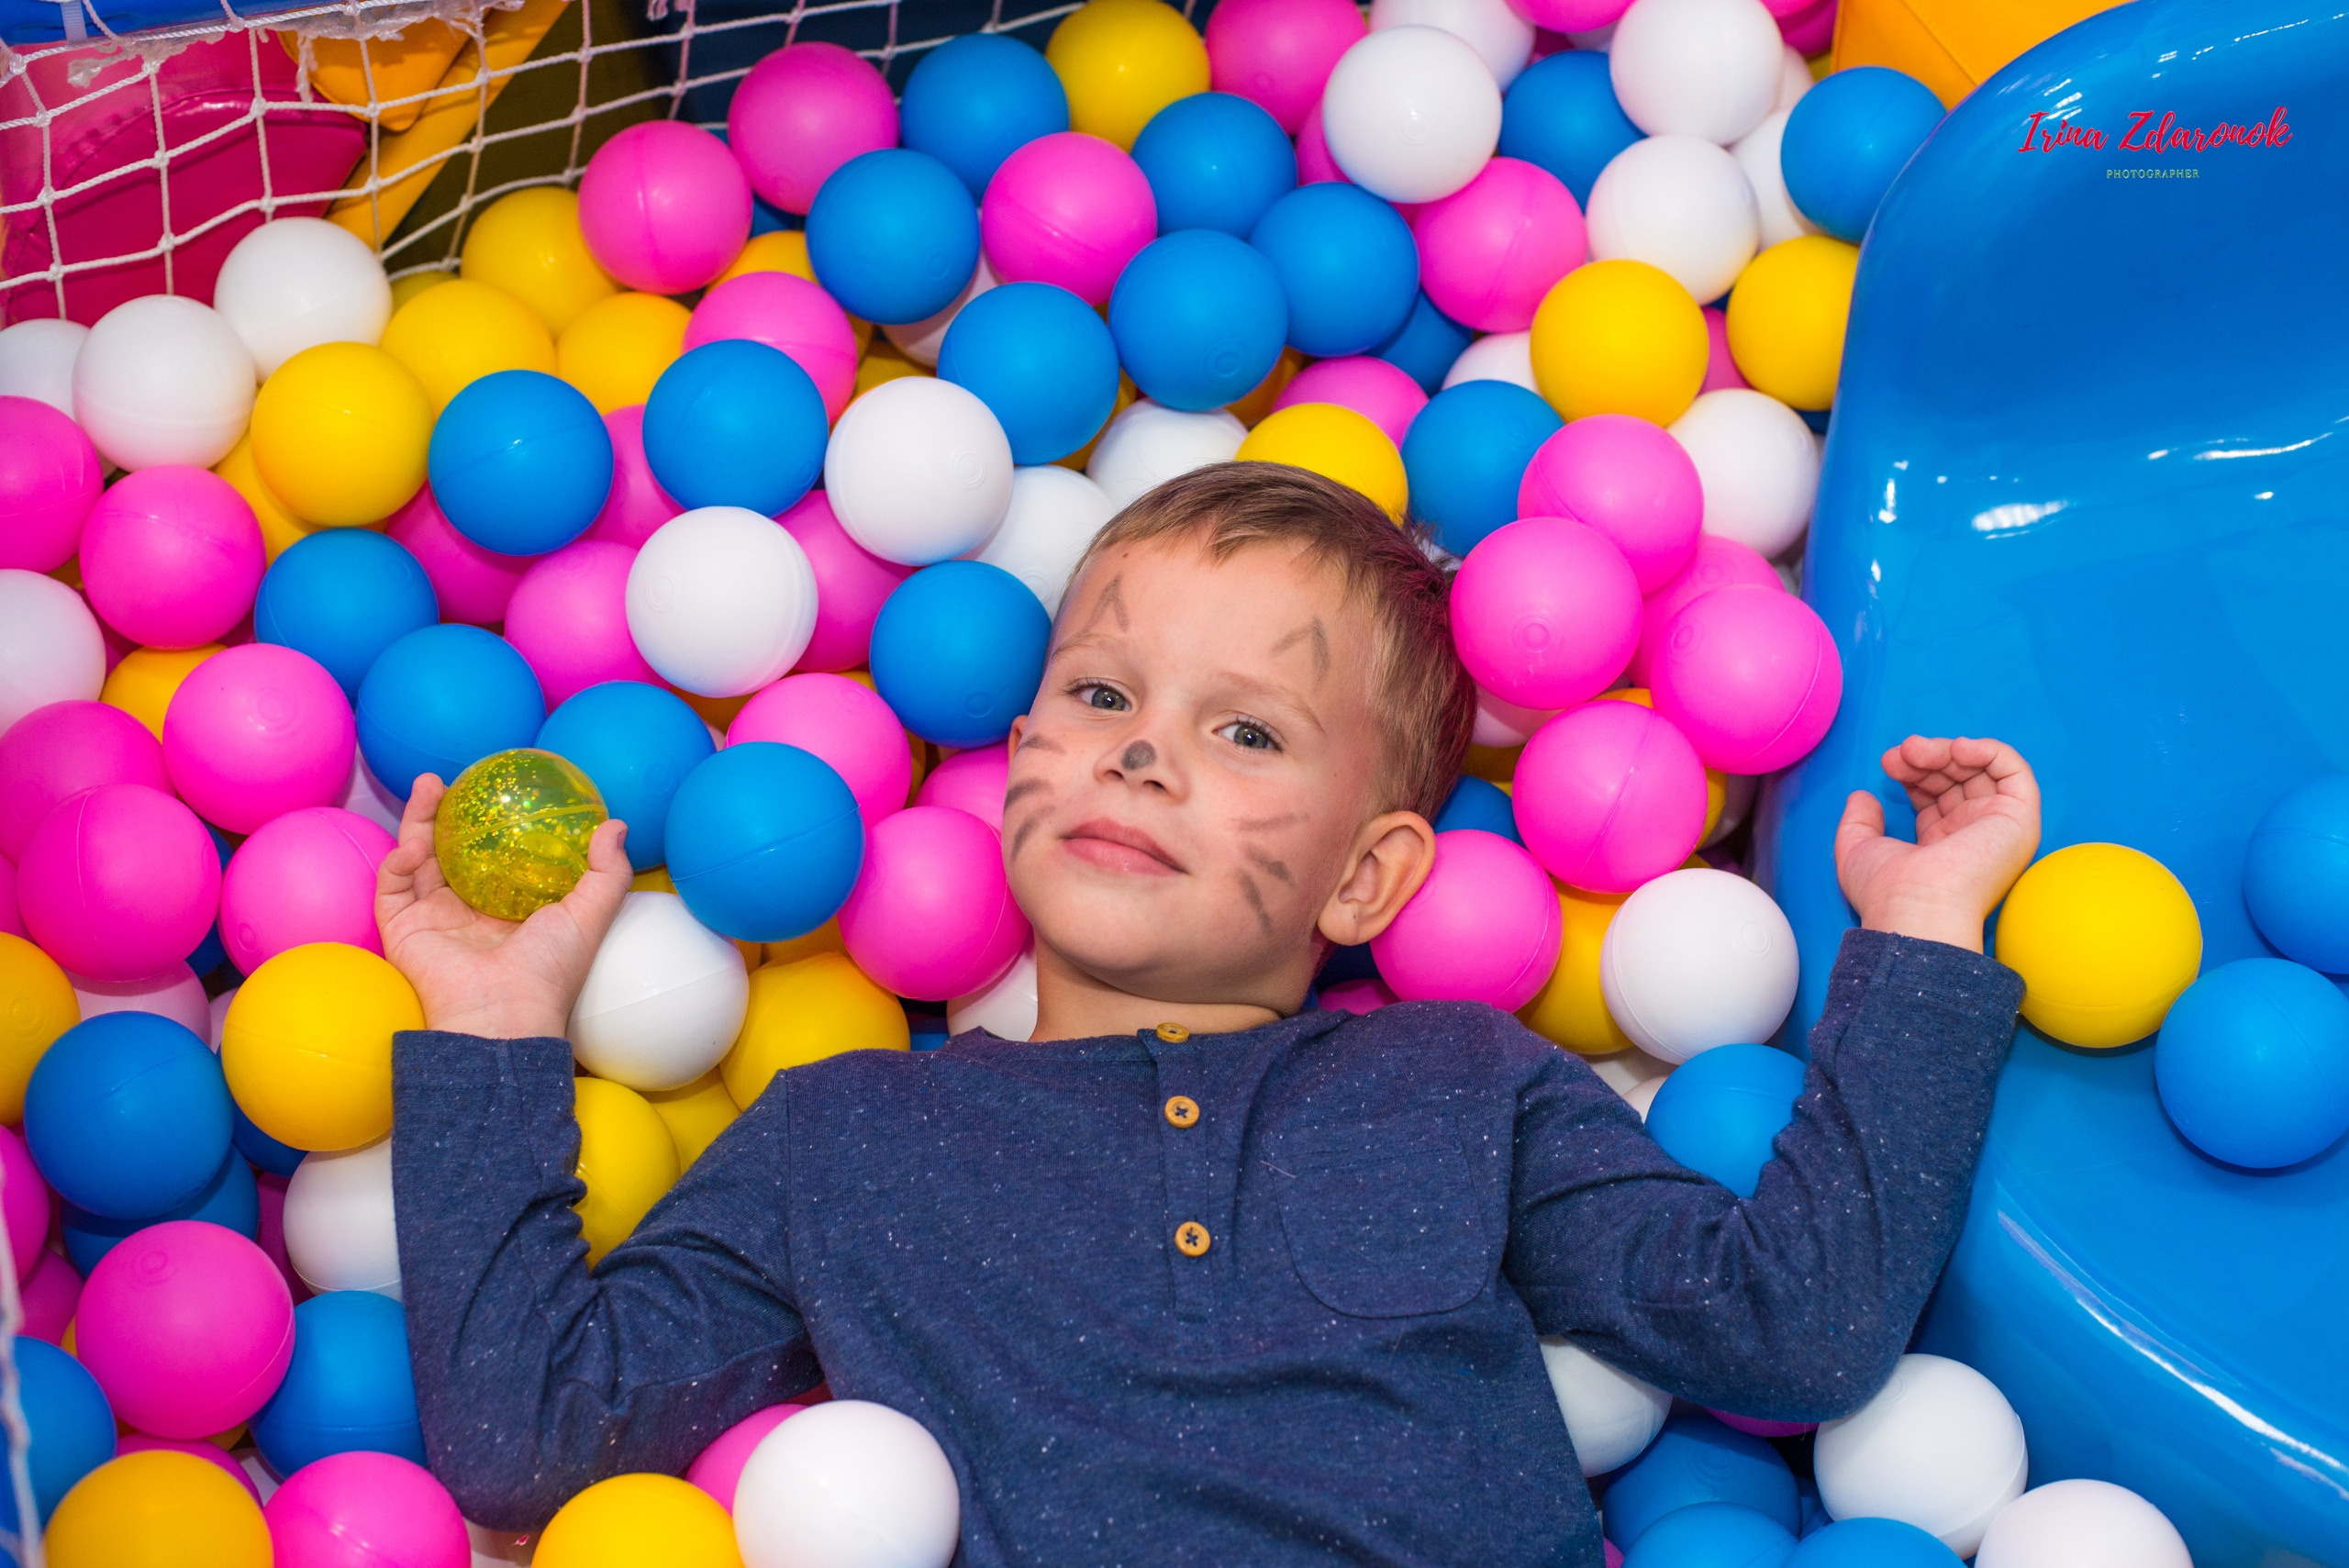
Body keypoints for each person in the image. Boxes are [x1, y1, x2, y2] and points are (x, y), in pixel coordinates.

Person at [380, 463, 2042, 1566]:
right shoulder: (850, 1136)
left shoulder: (1458, 1080)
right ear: (1019, 754)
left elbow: (1788, 1329)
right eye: (1102, 694)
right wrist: (492, 1018)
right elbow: (532, 1432)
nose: (1142, 750)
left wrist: (1923, 934)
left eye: (1246, 732)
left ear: (1369, 877)